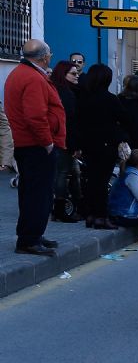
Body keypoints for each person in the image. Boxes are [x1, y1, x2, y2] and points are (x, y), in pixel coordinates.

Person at [6, 40, 65, 255]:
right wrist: (48, 142)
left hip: (28, 144)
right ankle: (30, 239)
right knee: (38, 194)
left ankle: (33, 234)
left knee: (32, 192)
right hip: (36, 145)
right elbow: (35, 116)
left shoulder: (22, 73)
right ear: (45, 57)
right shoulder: (32, 78)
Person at [74, 64, 131, 230]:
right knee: (102, 182)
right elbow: (125, 119)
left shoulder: (83, 98)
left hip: (88, 144)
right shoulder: (110, 99)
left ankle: (91, 214)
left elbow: (78, 121)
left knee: (91, 180)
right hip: (106, 144)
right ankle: (101, 216)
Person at [48, 61, 83, 223]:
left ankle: (69, 206)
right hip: (63, 140)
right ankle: (60, 209)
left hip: (60, 139)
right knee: (63, 173)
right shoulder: (66, 94)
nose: (77, 76)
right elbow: (70, 121)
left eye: (77, 73)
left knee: (69, 173)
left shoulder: (64, 90)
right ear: (64, 75)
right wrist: (74, 145)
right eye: (73, 74)